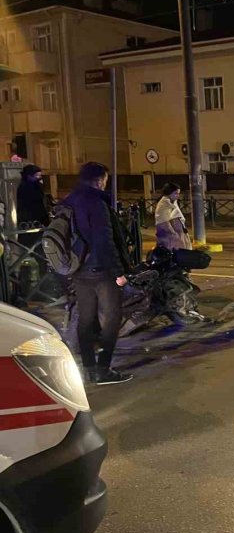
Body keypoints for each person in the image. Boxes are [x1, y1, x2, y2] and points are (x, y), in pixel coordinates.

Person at [62, 162, 133, 385]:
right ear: (100, 180)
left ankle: (88, 369)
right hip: (101, 271)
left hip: (78, 271)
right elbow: (104, 241)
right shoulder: (97, 204)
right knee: (112, 319)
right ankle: (103, 369)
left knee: (85, 319)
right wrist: (119, 272)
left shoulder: (69, 202)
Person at [154, 182, 192, 251]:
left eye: (178, 193)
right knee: (176, 256)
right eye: (175, 193)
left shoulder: (172, 202)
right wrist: (174, 235)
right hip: (171, 238)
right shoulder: (164, 204)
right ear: (169, 193)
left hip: (178, 234)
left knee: (182, 255)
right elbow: (163, 222)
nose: (178, 196)